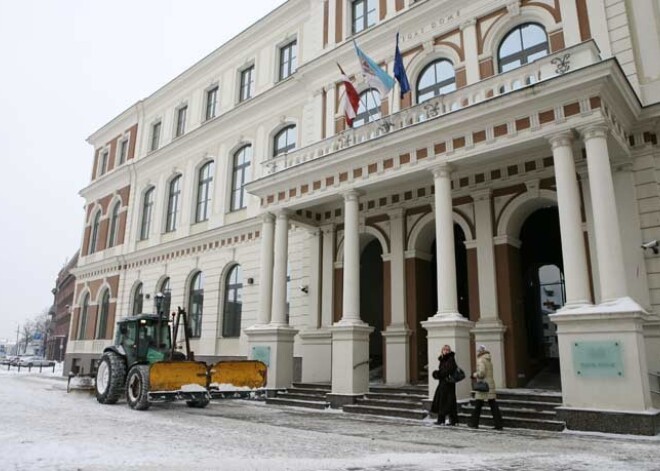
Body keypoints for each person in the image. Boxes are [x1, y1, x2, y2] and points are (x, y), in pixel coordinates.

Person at [469, 344, 503, 430]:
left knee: (478, 405)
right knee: (493, 404)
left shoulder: (481, 360)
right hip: (489, 385)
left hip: (483, 386)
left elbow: (481, 373)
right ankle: (499, 424)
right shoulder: (488, 359)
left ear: (480, 352)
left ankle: (474, 423)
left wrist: (474, 375)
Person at [430, 344, 458, 426]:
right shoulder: (443, 359)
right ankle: (442, 420)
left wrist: (437, 374)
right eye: (444, 349)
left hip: (448, 384)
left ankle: (451, 420)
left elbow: (447, 371)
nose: (446, 351)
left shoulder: (450, 359)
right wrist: (438, 374)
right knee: (442, 401)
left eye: (447, 350)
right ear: (442, 351)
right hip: (443, 383)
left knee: (448, 402)